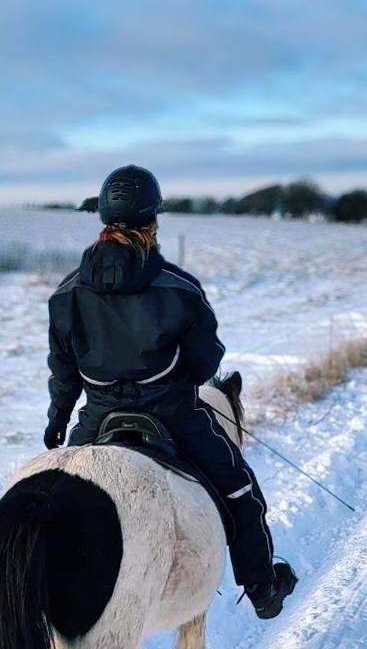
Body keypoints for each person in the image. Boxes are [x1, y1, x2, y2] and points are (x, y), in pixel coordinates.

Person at [45, 164, 297, 619]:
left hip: (96, 417)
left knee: (50, 504)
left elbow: (63, 368)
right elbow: (206, 364)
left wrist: (58, 418)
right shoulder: (180, 289)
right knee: (240, 489)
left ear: (104, 218)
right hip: (173, 413)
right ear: (153, 222)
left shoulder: (66, 294)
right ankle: (262, 588)